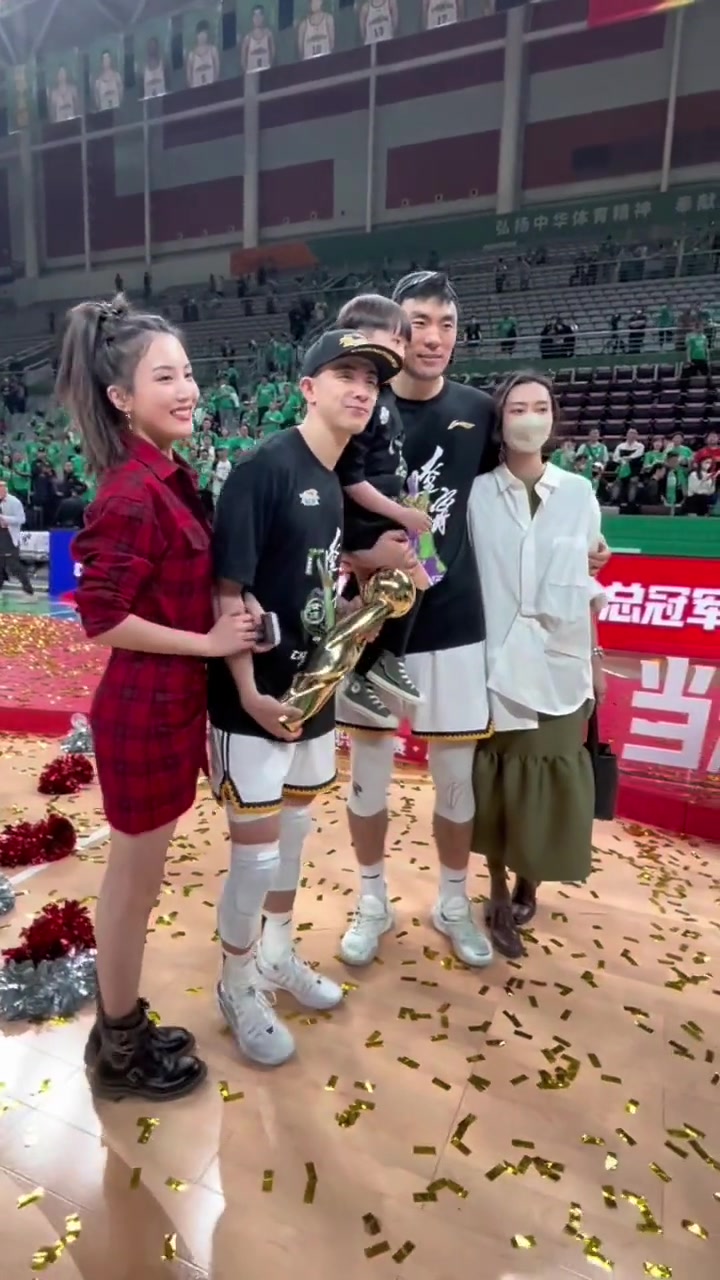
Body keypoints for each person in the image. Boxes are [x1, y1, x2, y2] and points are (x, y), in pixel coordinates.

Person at [337, 272, 612, 972]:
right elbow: (323, 506)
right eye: (417, 323)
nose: (432, 338)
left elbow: (528, 478)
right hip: (372, 623)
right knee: (368, 774)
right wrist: (362, 558)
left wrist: (582, 539)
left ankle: (454, 903)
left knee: (456, 780)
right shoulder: (361, 405)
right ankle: (371, 900)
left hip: (457, 624)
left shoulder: (477, 411)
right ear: (394, 331)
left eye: (447, 324)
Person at [58, 296, 257, 1101]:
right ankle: (118, 1045)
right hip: (143, 714)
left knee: (139, 886)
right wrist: (208, 643)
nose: (187, 390)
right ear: (120, 397)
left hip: (170, 710)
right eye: (164, 377)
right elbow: (101, 617)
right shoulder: (131, 494)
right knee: (132, 890)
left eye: (187, 373)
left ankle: (122, 1027)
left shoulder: (165, 476)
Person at [208, 329, 402, 1066]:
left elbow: (312, 585)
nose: (362, 389)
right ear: (308, 388)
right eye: (346, 374)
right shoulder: (264, 469)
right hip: (253, 703)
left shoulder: (332, 483)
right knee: (255, 859)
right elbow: (228, 592)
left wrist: (356, 607)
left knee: (293, 837)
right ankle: (235, 985)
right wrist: (249, 693)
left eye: (372, 381)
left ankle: (275, 956)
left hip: (311, 693)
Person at [469, 372, 605, 959]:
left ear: (554, 418)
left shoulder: (578, 492)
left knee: (547, 774)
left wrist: (595, 658)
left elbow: (587, 577)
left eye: (540, 406)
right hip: (492, 663)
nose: (530, 417)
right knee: (495, 778)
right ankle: (497, 888)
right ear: (499, 420)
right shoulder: (476, 494)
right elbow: (443, 563)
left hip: (560, 661)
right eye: (517, 408)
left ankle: (531, 879)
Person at [335, 295, 430, 727]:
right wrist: (403, 514)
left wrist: (408, 506)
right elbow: (352, 480)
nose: (401, 349)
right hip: (364, 520)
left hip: (388, 513)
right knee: (408, 581)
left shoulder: (385, 396)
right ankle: (374, 663)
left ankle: (368, 667)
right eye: (392, 339)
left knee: (421, 576)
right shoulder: (362, 403)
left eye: (402, 342)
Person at [0, 479, 33, 595]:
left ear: (5, 490)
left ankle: (27, 585)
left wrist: (4, 519)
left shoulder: (15, 502)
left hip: (9, 535)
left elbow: (21, 519)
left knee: (13, 564)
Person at [241, 5, 275, 72]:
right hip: (252, 72)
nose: (257, 18)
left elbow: (273, 52)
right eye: (255, 16)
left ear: (263, 17)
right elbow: (243, 59)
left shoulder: (268, 34)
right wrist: (247, 72)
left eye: (259, 15)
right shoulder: (248, 38)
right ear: (252, 18)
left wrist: (269, 66)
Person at [186, 20, 219, 88]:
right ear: (197, 35)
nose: (203, 36)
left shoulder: (213, 50)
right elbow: (189, 76)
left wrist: (214, 85)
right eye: (201, 33)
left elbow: (217, 71)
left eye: (205, 33)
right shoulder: (191, 55)